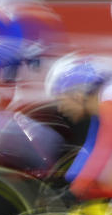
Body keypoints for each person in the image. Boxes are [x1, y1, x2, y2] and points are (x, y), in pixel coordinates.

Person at [46, 53, 112, 200]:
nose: (61, 109)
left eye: (61, 101)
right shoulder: (98, 108)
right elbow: (91, 147)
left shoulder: (108, 100)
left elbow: (104, 149)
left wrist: (77, 190)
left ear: (77, 95)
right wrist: (73, 182)